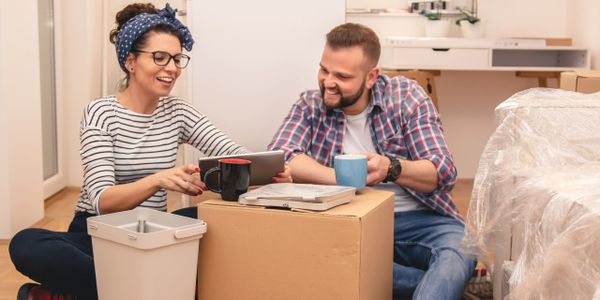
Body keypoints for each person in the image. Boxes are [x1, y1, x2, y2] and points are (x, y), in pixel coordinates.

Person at [9, 3, 289, 299]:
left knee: (213, 219)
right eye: (159, 58)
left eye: (177, 59)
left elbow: (232, 152)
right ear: (130, 61)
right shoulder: (101, 113)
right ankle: (148, 288)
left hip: (155, 235)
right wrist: (158, 179)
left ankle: (79, 293)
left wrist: (272, 172)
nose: (172, 68)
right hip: (98, 234)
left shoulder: (178, 111)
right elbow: (103, 201)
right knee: (27, 243)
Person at [268, 23, 475, 300]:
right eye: (324, 70)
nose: (328, 82)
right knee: (324, 261)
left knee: (460, 251)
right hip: (347, 220)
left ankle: (443, 283)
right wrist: (341, 179)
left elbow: (443, 172)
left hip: (420, 218)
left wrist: (391, 168)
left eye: (342, 76)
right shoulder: (310, 105)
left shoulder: (406, 98)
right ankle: (442, 286)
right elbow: (282, 156)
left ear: (371, 77)